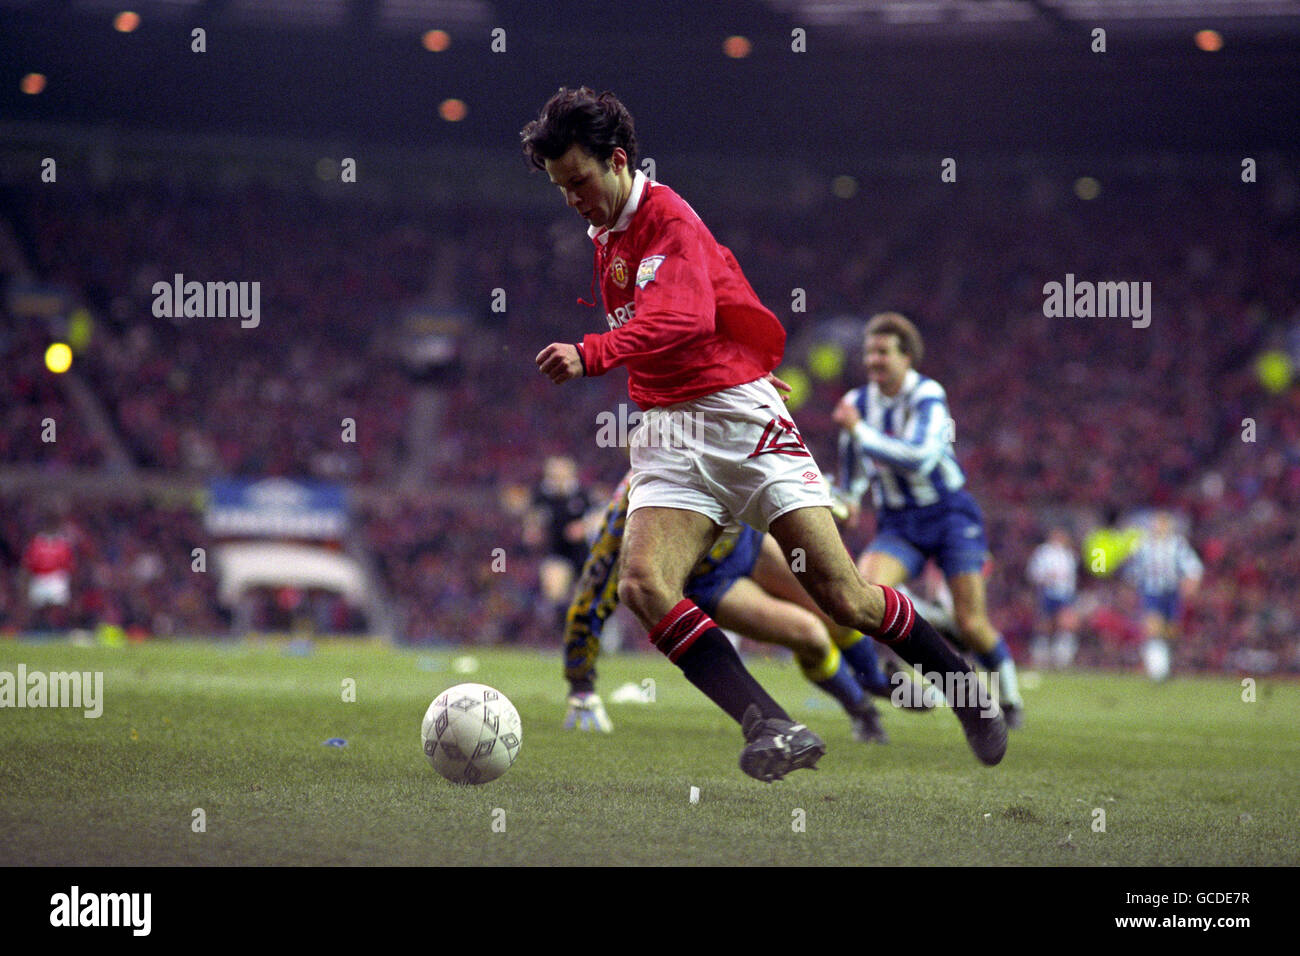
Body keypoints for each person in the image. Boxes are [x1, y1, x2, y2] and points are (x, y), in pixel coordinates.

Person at [523, 87, 1005, 781]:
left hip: (739, 425)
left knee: (844, 597)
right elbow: (718, 295)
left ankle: (965, 690)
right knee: (642, 584)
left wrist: (594, 353)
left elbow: (683, 318)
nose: (572, 199)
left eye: (579, 181)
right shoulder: (608, 234)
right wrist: (741, 358)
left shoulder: (667, 218)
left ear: (618, 160)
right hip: (668, 431)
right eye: (560, 189)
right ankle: (770, 725)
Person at [562, 474, 939, 742]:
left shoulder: (720, 442)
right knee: (810, 635)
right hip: (713, 582)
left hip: (752, 546)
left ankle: (875, 678)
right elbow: (598, 580)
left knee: (836, 608)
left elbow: (780, 465)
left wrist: (830, 499)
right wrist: (581, 682)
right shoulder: (639, 494)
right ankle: (863, 712)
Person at [832, 312, 1026, 728]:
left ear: (907, 358)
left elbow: (919, 458)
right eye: (869, 352)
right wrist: (845, 503)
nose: (873, 360)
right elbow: (853, 475)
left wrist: (860, 430)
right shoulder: (858, 404)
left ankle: (1009, 700)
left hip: (949, 514)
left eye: (883, 352)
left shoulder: (927, 395)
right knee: (867, 590)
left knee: (973, 624)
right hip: (899, 522)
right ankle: (939, 622)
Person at [1122, 511, 1203, 681]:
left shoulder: (1177, 545)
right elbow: (1133, 568)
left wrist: (1191, 582)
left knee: (1171, 631)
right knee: (1153, 627)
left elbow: (1193, 566)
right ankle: (1157, 670)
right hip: (1151, 591)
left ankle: (1164, 664)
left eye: (1163, 524)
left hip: (1172, 592)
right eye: (1157, 523)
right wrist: (1131, 582)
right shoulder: (1143, 545)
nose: (1159, 527)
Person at [523, 455, 592, 629]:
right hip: (557, 551)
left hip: (583, 553)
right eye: (553, 473)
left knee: (585, 599)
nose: (557, 477)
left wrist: (583, 526)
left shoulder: (583, 494)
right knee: (553, 593)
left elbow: (601, 515)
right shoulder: (541, 494)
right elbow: (532, 516)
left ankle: (598, 637)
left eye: (560, 473)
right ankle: (560, 632)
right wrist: (532, 529)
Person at [1027, 528, 1080, 670]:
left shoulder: (1068, 554)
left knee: (1064, 624)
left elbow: (1071, 577)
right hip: (1048, 592)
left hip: (1064, 593)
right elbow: (1034, 573)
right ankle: (1041, 658)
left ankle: (1061, 660)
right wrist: (1047, 578)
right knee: (1045, 625)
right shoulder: (1043, 552)